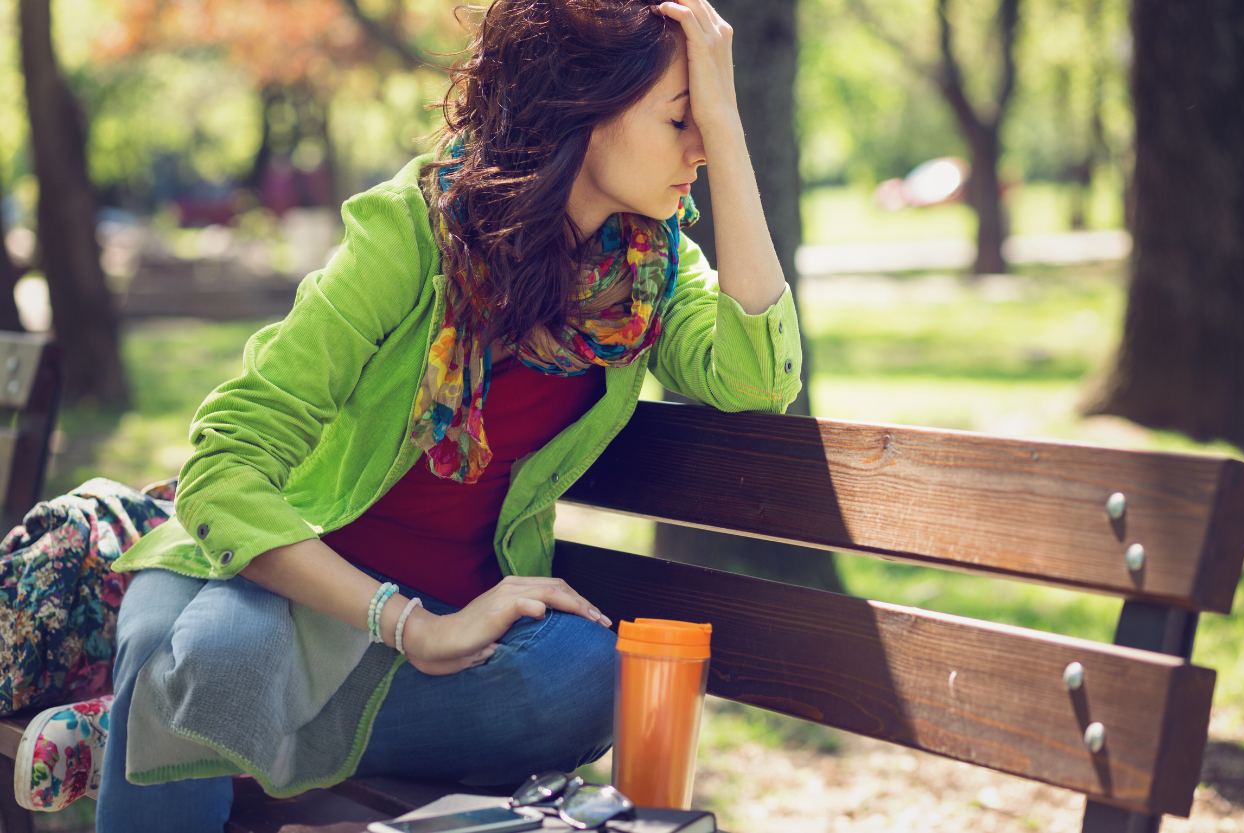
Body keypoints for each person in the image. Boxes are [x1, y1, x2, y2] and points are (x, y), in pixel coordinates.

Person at [14, 0, 802, 829]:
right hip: (288, 578)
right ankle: (184, 723)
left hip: (456, 625)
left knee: (585, 677)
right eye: (681, 118)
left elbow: (759, 375)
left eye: (708, 121)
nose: (701, 148)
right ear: (583, 109)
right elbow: (223, 466)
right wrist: (406, 623)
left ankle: (152, 733)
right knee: (214, 653)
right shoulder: (414, 231)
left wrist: (728, 122)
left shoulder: (648, 277)